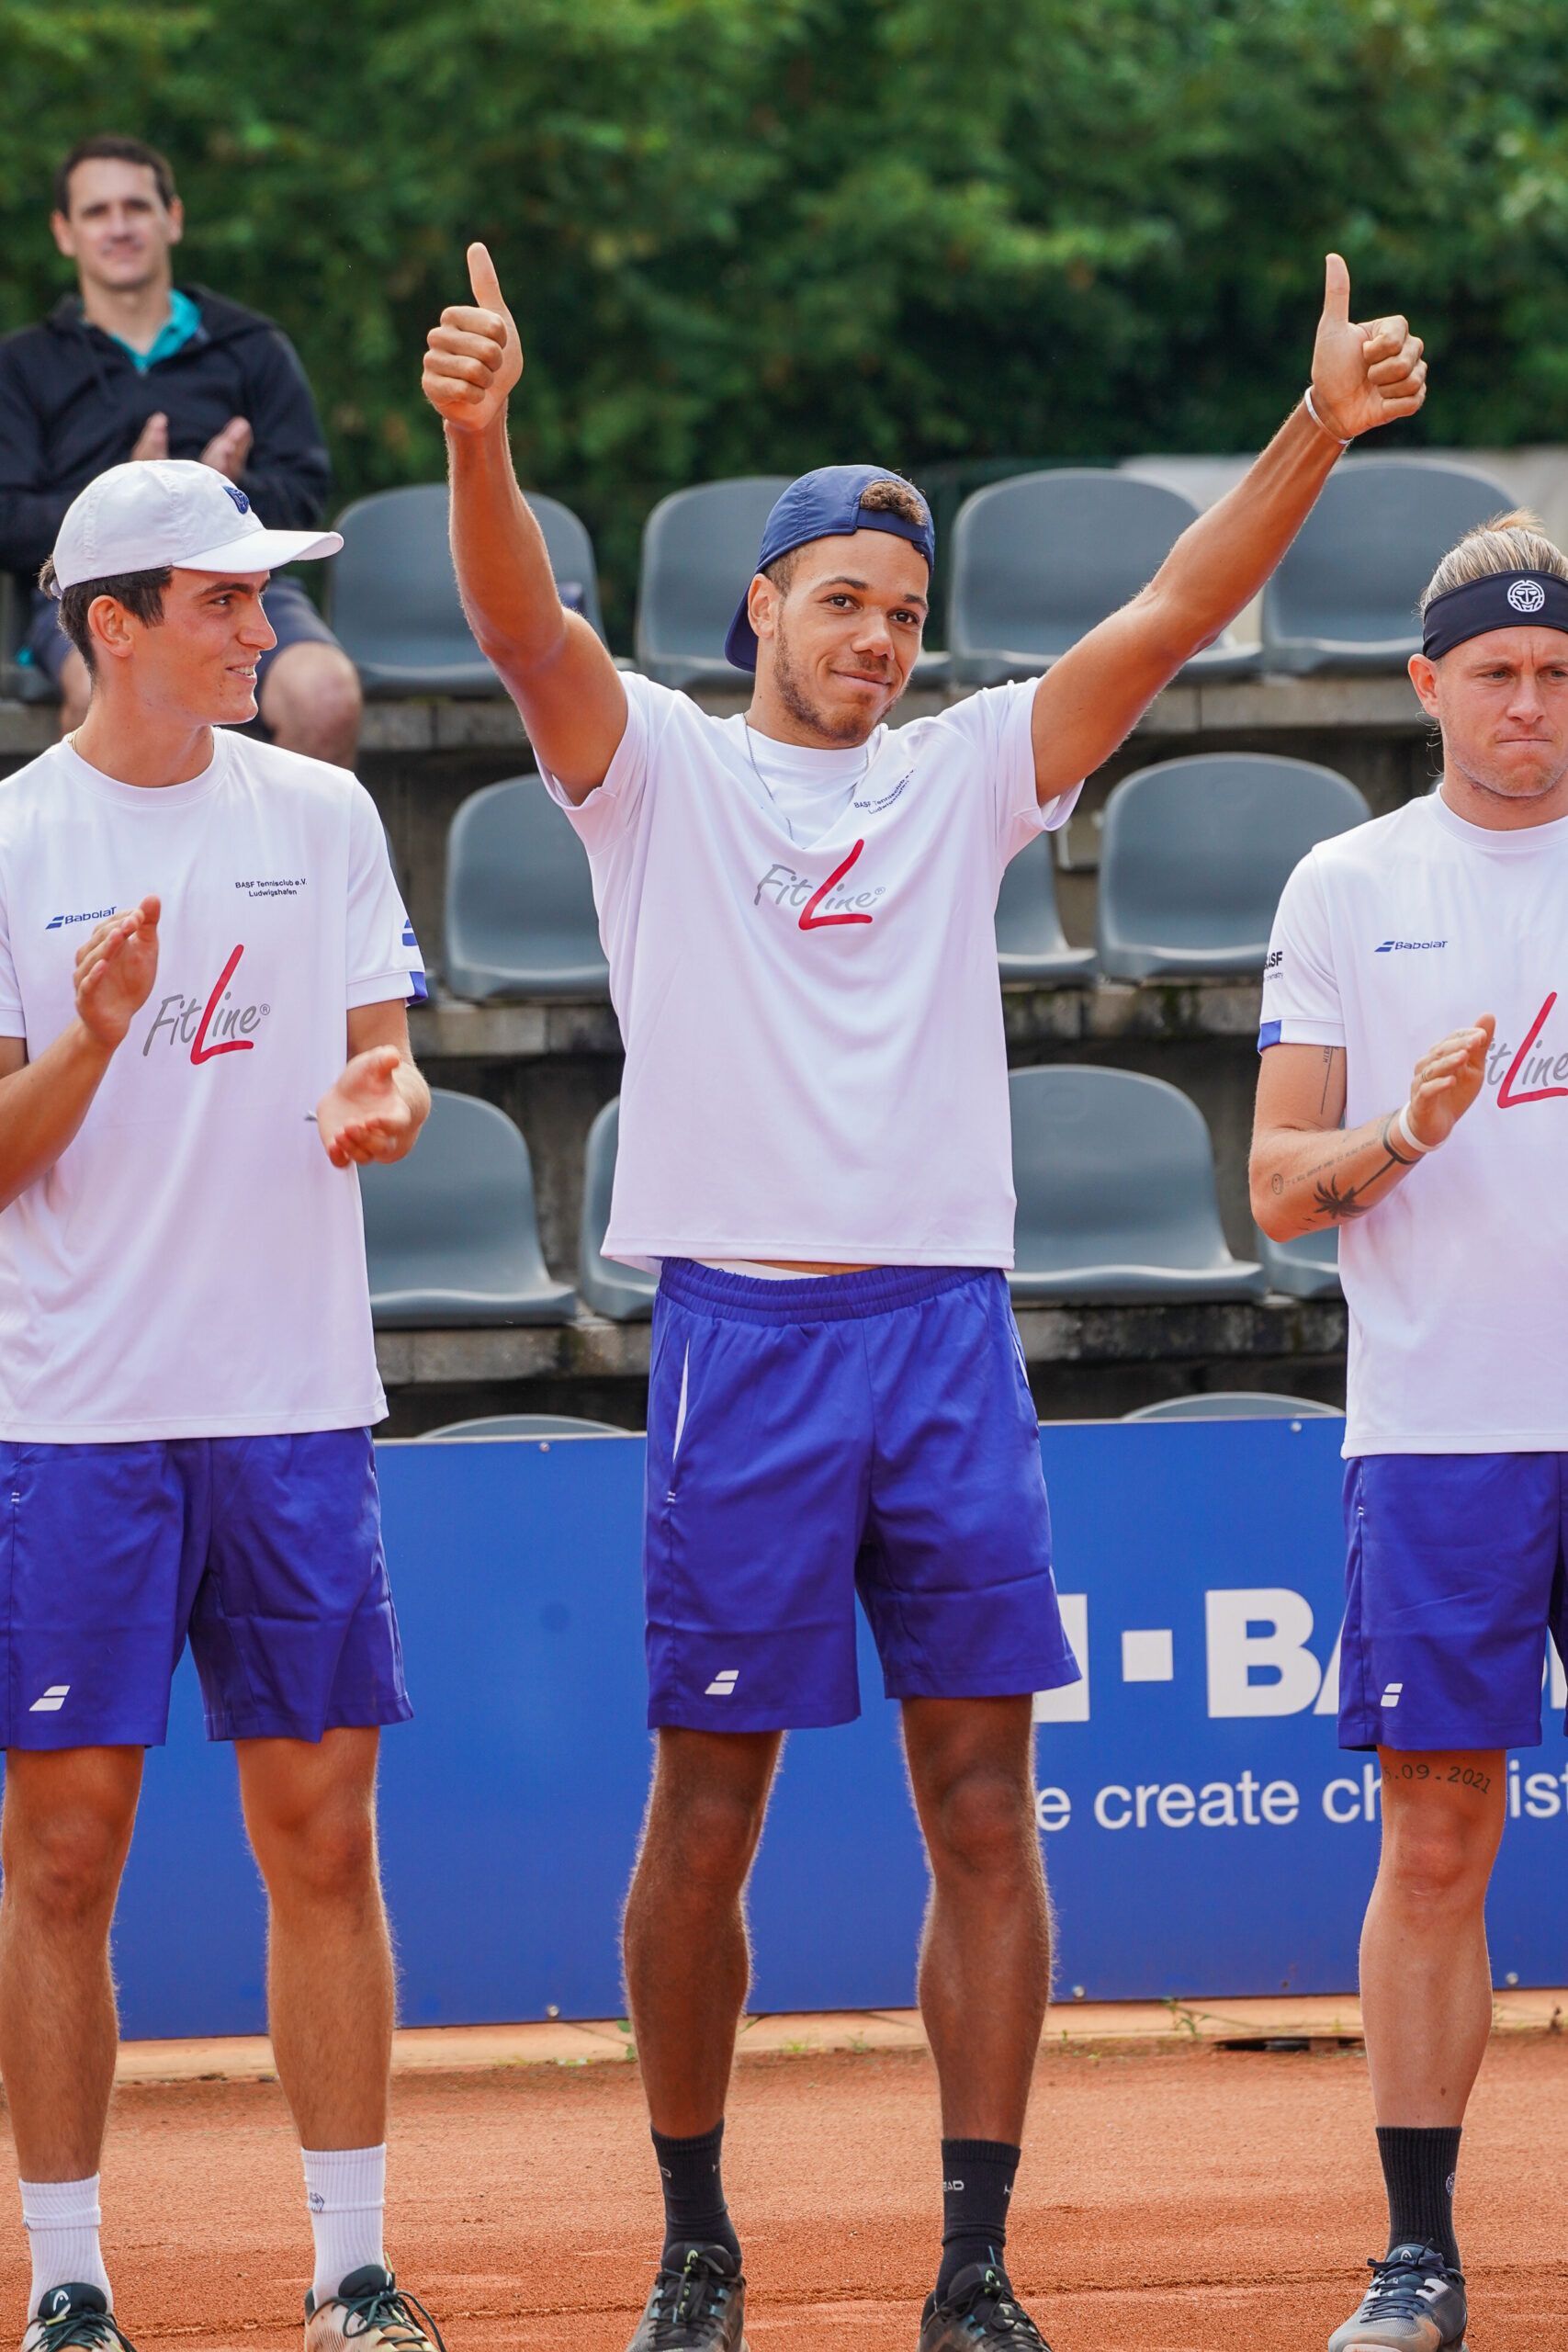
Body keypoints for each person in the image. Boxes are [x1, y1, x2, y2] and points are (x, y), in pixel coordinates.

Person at [423, 243, 1425, 2352]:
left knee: (982, 1804)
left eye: (898, 608)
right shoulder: (654, 769)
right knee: (707, 1808)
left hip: (943, 1344)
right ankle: (694, 2237)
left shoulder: (960, 767)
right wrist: (479, 436)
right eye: (838, 601)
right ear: (758, 608)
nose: (874, 636)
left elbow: (1165, 615)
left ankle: (971, 2262)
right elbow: (516, 622)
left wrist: (1314, 427)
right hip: (744, 1341)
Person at [0, 458, 437, 2352]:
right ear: (115, 626)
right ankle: (67, 2279)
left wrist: (387, 1101)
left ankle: (352, 2267)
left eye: (264, 597)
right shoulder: (11, 841)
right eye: (226, 601)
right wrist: (97, 1037)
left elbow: (385, 1062)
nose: (265, 629)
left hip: (291, 1403)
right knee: (61, 1854)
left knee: (324, 1837)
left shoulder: (323, 814)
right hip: (72, 1416)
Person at [1251, 508, 1568, 2352]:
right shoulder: (1341, 884)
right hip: (1442, 1427)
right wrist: (1404, 1132)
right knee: (1435, 1839)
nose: (1529, 703)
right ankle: (1417, 2255)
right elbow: (1277, 1185)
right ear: (1423, 685)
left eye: (1556, 672)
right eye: (1496, 672)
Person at [0, 134, 362, 763]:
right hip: (94, 595)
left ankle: (294, 838)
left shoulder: (252, 346)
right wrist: (127, 501)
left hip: (242, 584)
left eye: (136, 207)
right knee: (98, 696)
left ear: (172, 218)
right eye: (97, 211)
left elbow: (304, 493)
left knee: (325, 695)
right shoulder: (22, 365)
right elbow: (8, 518)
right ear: (64, 232)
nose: (119, 227)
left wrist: (217, 496)